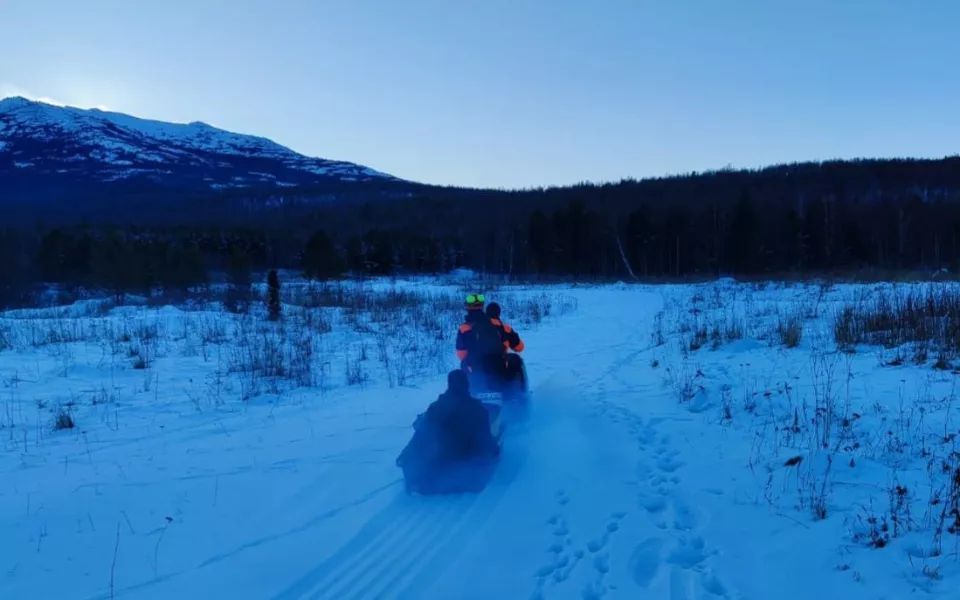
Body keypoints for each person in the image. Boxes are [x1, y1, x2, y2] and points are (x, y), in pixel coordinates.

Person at [396, 369, 501, 490]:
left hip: (441, 461)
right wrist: (495, 448)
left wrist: (408, 454)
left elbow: (422, 435)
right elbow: (485, 439)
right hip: (468, 461)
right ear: (467, 385)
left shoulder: (435, 408)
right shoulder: (478, 409)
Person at [485, 301, 527, 392]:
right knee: (516, 359)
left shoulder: (473, 328)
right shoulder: (505, 328)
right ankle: (521, 392)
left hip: (478, 366)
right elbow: (519, 347)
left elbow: (462, 352)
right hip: (500, 364)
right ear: (499, 313)